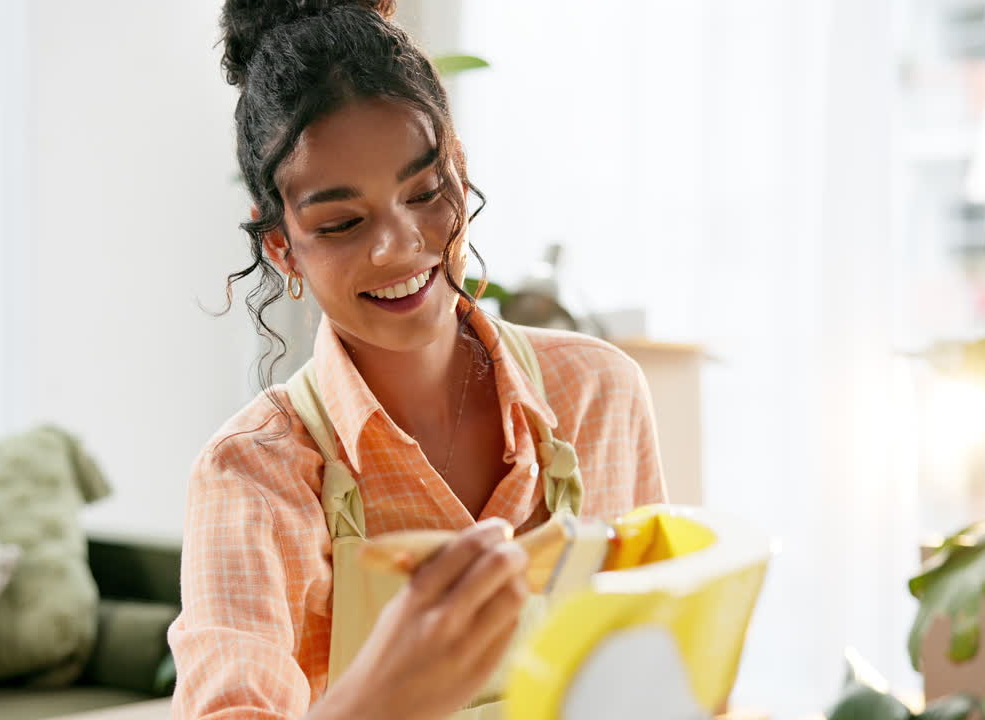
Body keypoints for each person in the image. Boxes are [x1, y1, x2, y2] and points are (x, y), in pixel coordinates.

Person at [168, 1, 668, 717]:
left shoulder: (598, 397)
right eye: (341, 222)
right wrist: (384, 694)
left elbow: (658, 677)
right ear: (281, 247)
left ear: (459, 171)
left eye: (426, 191)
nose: (397, 245)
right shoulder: (254, 477)